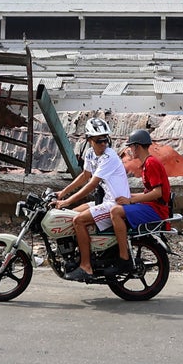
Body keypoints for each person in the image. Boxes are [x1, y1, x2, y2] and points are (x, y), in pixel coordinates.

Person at [53, 117, 131, 282]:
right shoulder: (90, 153)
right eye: (99, 140)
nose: (103, 143)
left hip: (114, 204)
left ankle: (86, 266)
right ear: (89, 140)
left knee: (78, 221)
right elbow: (84, 176)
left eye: (106, 139)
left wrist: (67, 200)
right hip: (104, 201)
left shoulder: (109, 157)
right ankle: (79, 255)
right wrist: (62, 193)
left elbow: (91, 184)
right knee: (69, 216)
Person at [110, 129, 171, 273]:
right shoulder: (147, 163)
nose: (130, 150)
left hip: (156, 210)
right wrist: (130, 197)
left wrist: (131, 200)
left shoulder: (151, 164)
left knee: (115, 212)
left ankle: (123, 257)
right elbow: (149, 193)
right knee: (117, 205)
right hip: (152, 207)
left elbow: (157, 193)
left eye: (131, 147)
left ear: (137, 146)